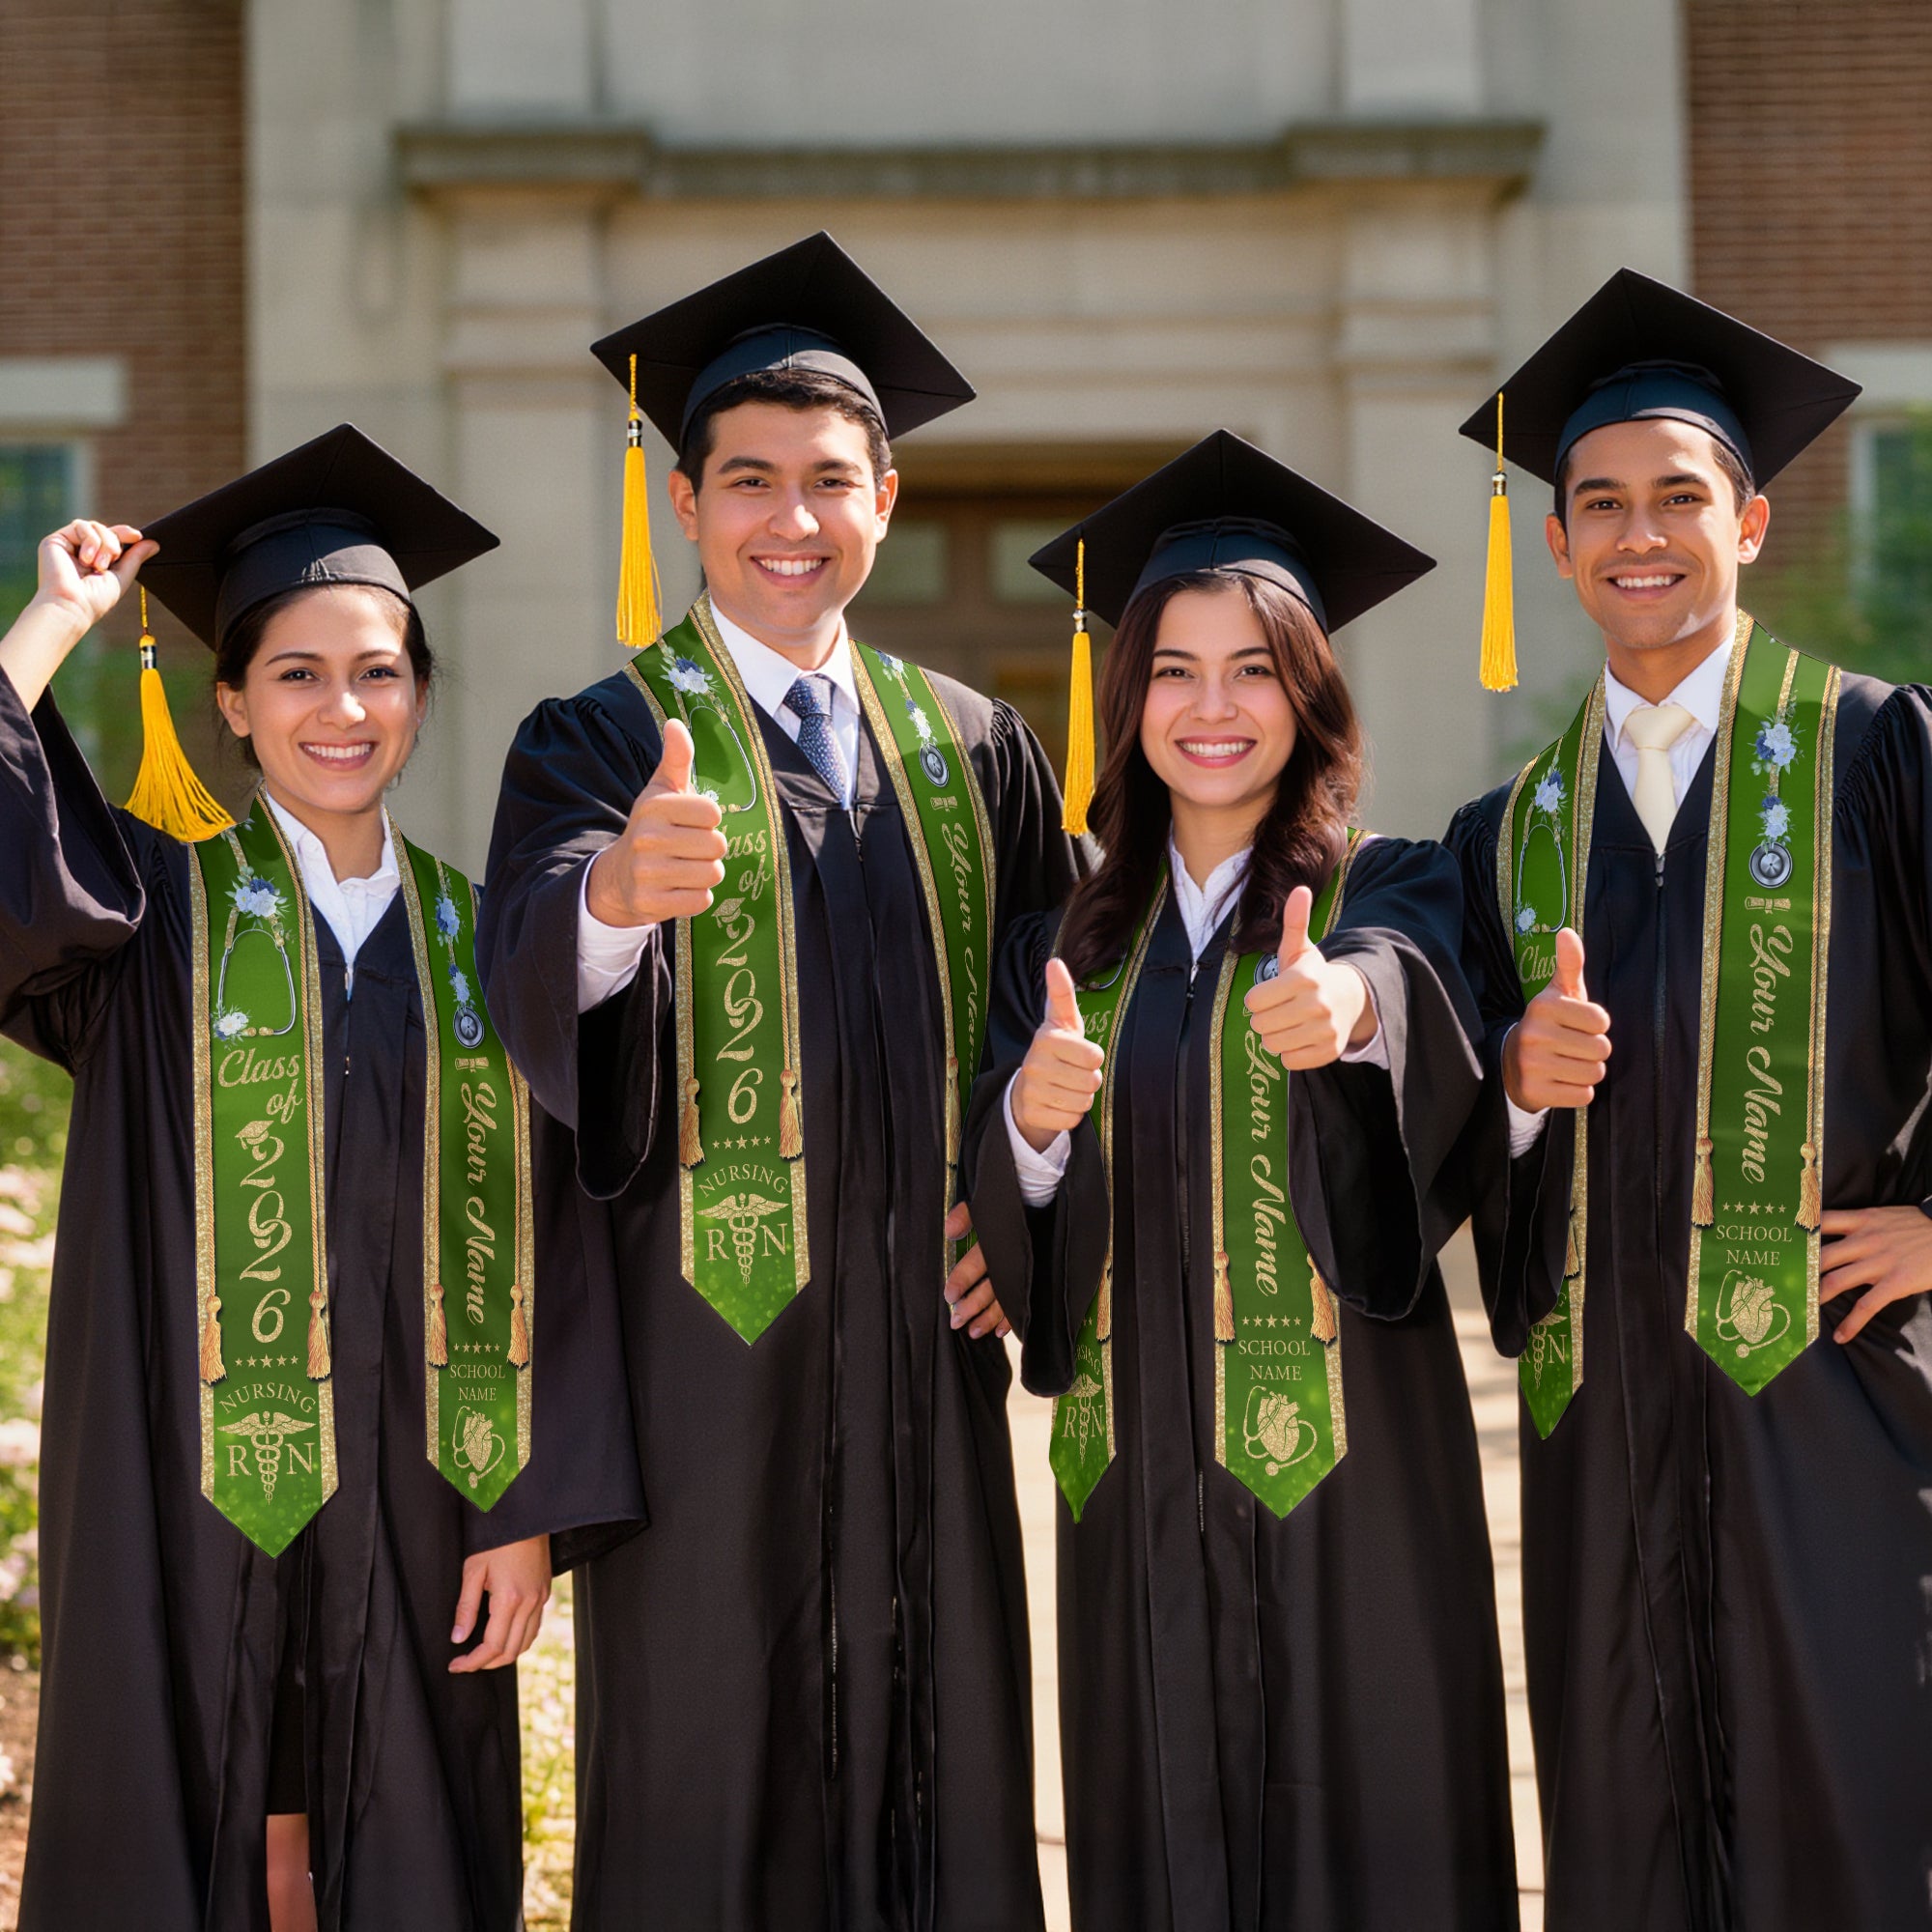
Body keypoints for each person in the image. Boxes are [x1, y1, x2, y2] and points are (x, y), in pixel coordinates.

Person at [477, 232, 1082, 1930]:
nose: (790, 519)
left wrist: (1022, 1200)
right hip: (704, 1378)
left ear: (886, 497)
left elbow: (1071, 1015)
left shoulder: (974, 746)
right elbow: (526, 969)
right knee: (708, 1785)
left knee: (942, 1766)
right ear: (685, 503)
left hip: (923, 1365)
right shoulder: (596, 738)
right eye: (749, 481)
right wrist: (609, 901)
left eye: (831, 480)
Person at [0, 424, 641, 1931]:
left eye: (379, 671)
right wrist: (52, 623)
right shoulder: (147, 919)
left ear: (419, 694)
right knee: (192, 1811)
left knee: (407, 1837)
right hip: (182, 1482)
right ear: (230, 702)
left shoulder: (493, 944)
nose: (341, 708)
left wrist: (529, 1508)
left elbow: (566, 1233)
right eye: (296, 673)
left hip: (430, 1498)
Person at [961, 431, 1518, 1931]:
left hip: (1357, 1483)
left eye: (1256, 668)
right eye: (1175, 670)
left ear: (1311, 693)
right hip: (1133, 1475)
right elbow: (1012, 1212)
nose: (1214, 708)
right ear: (1127, 696)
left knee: (1377, 1839)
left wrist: (1350, 1014)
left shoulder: (1391, 885)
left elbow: (1415, 989)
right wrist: (1027, 1121)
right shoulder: (1062, 947)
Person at [1445, 269, 1932, 1931]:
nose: (1637, 534)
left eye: (1678, 498)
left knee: (1854, 1815)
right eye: (1599, 505)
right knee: (1625, 1832)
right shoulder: (1506, 833)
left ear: (1753, 520)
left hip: (1836, 1401)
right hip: (1602, 1434)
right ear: (1561, 543)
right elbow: (1442, 1132)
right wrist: (1510, 1087)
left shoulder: (1877, 753)